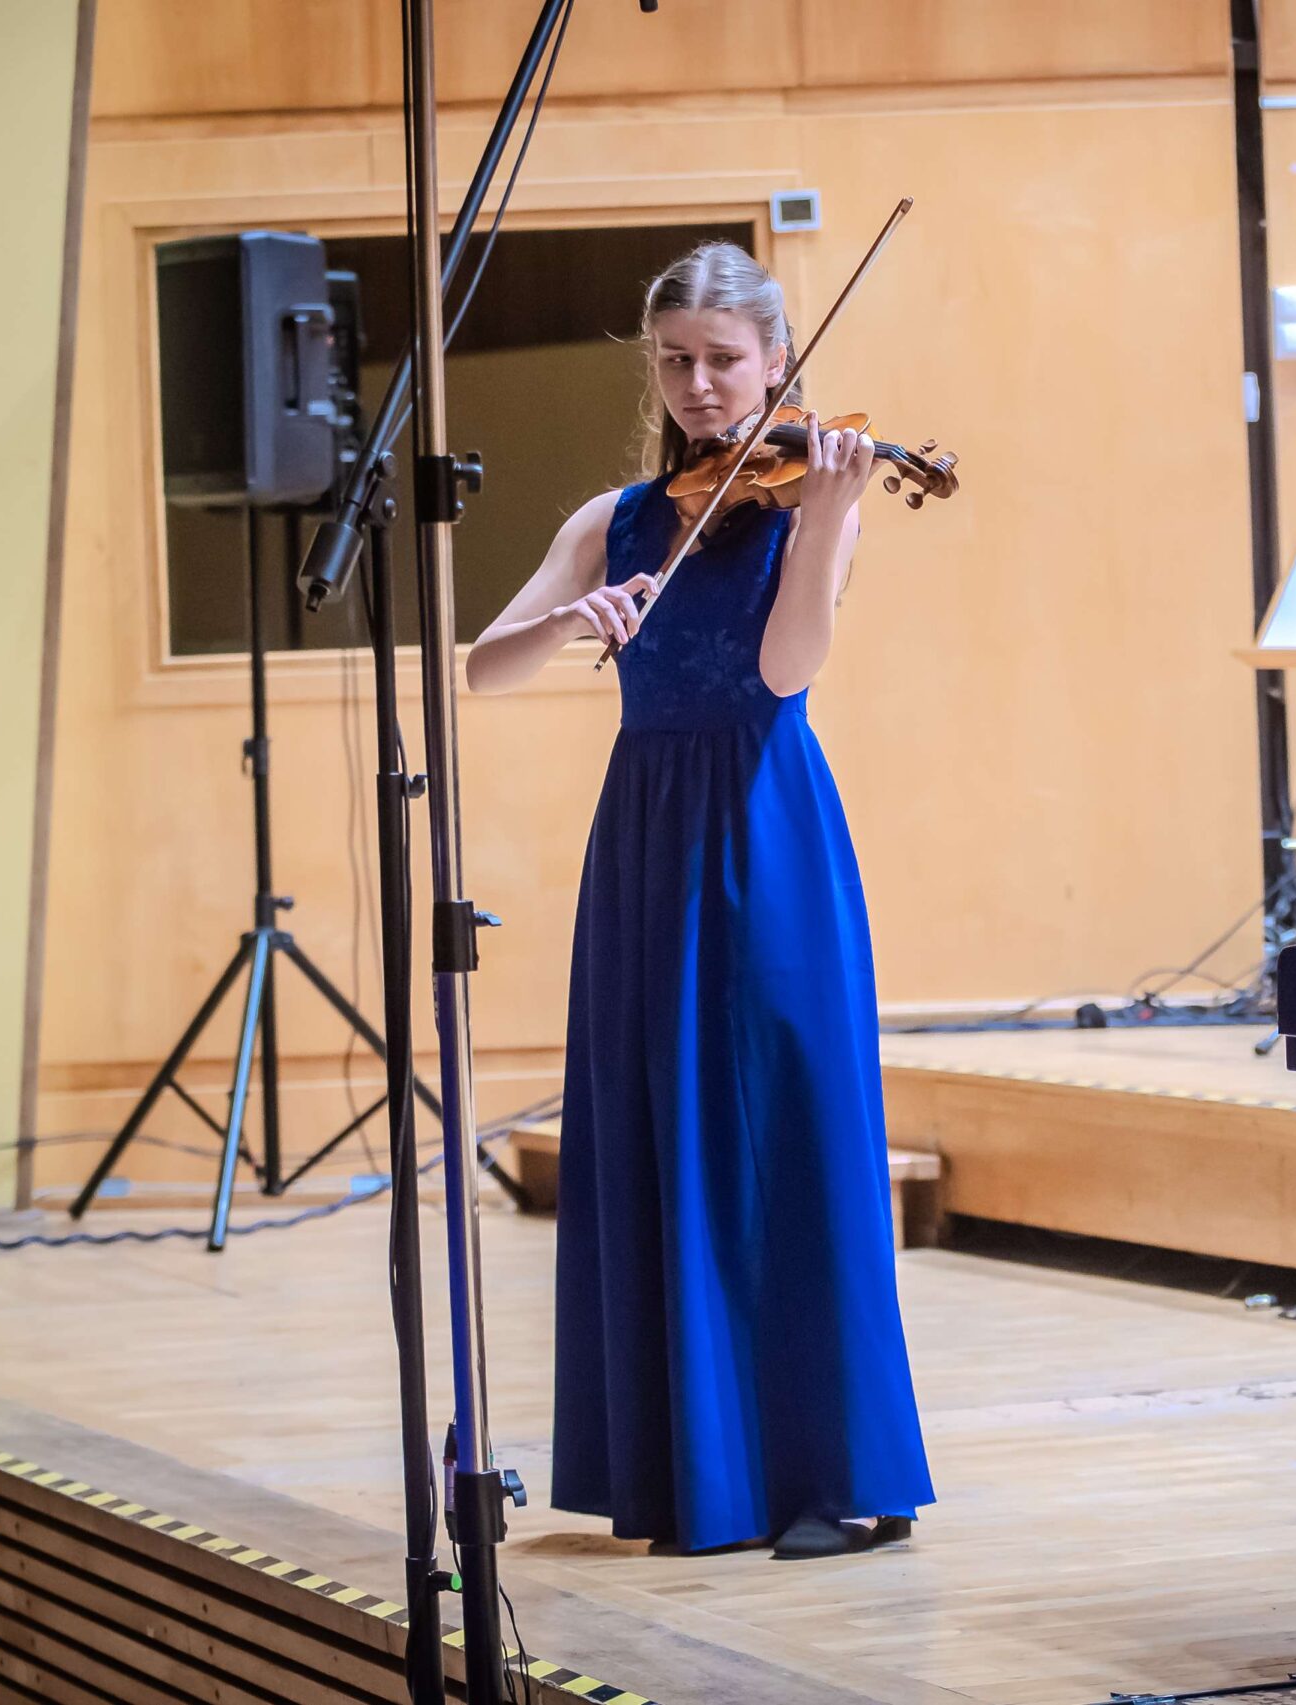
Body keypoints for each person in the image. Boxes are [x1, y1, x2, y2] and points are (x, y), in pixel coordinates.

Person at [465, 240, 932, 1560]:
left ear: (777, 364)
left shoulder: (806, 498)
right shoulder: (613, 520)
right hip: (647, 834)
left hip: (768, 826)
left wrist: (828, 519)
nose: (699, 385)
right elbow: (483, 667)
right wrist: (575, 620)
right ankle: (694, 1472)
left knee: (791, 1128)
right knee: (659, 1132)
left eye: (724, 360)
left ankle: (844, 1477)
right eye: (675, 361)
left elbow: (784, 672)